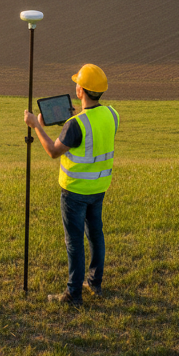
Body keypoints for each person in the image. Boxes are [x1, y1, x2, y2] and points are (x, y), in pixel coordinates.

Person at [23, 63, 119, 307]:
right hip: (99, 189)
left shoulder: (75, 125)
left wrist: (37, 125)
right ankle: (94, 283)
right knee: (96, 235)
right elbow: (91, 131)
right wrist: (75, 117)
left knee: (74, 241)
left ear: (81, 91)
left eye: (78, 83)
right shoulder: (112, 115)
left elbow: (54, 151)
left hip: (75, 191)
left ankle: (73, 293)